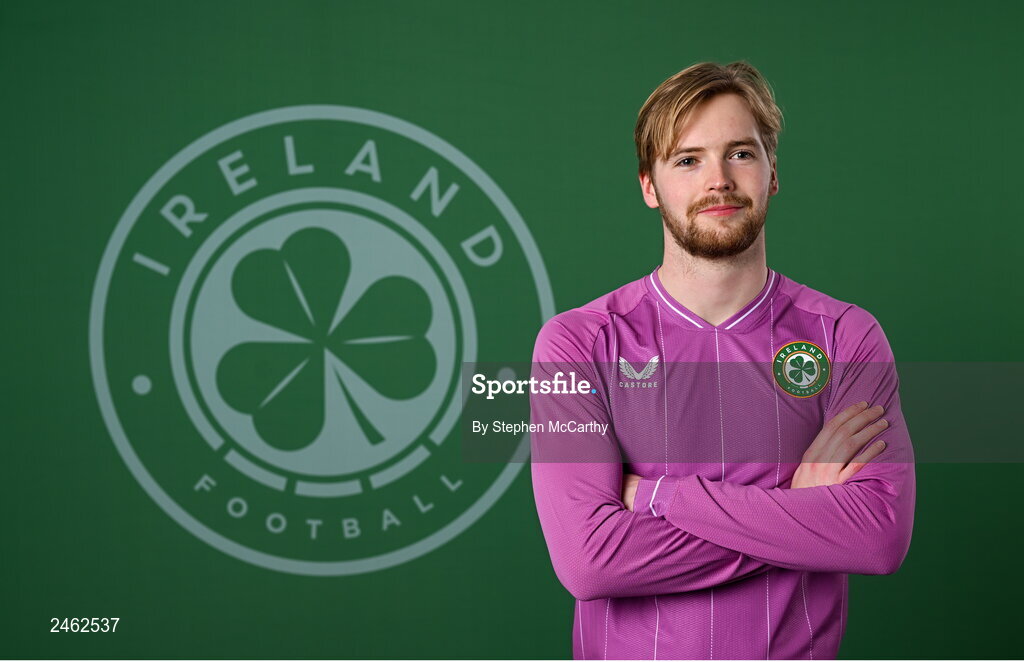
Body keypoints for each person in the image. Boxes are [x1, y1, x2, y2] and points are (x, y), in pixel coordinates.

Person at [528, 61, 915, 660]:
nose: (719, 180)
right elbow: (589, 561)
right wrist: (798, 512)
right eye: (688, 160)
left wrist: (660, 498)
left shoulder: (846, 336)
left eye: (740, 153)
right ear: (649, 185)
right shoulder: (577, 344)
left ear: (772, 172)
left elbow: (876, 539)